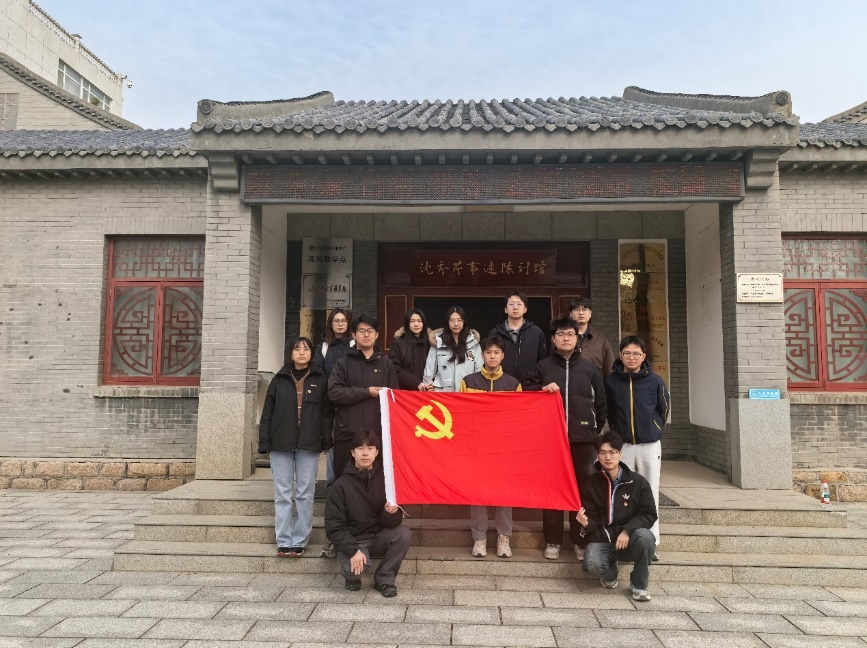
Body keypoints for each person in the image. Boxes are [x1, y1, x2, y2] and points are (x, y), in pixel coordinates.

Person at [524, 315, 606, 562]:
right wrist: (541, 390)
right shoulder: (542, 367)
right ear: (553, 339)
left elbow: (601, 406)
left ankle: (579, 540)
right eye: (561, 334)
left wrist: (591, 432)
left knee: (581, 491)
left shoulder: (590, 369)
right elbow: (525, 393)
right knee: (552, 490)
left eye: (570, 334)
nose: (566, 338)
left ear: (577, 338)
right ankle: (553, 540)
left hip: (583, 441)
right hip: (550, 440)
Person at [258, 337, 333, 557]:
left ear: (312, 353)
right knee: (282, 493)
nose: (301, 352)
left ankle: (299, 539)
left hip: (308, 444)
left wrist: (325, 440)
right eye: (297, 348)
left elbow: (326, 414)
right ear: (290, 353)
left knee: (305, 493)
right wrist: (265, 442)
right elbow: (267, 413)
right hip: (280, 443)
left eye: (306, 348)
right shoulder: (279, 379)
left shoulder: (320, 379)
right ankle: (283, 539)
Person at [324, 430, 411, 597]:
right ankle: (351, 575)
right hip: (354, 538)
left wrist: (390, 513)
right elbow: (334, 527)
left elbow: (393, 522)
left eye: (370, 448)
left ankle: (384, 579)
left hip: (378, 536)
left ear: (376, 452)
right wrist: (352, 550)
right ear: (352, 452)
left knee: (403, 534)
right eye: (360, 448)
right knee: (354, 572)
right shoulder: (340, 486)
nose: (365, 453)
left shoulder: (386, 480)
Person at [605, 335, 670, 552]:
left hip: (649, 446)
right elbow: (609, 410)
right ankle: (625, 539)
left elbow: (663, 409)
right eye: (627, 353)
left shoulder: (655, 381)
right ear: (620, 355)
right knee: (624, 492)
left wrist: (654, 428)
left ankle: (652, 542)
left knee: (650, 491)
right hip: (623, 446)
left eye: (636, 354)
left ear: (643, 356)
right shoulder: (611, 381)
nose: (631, 357)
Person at [459, 335, 522, 559]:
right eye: (488, 352)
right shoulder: (469, 382)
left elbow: (518, 419)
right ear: (482, 355)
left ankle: (504, 537)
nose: (492, 356)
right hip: (477, 447)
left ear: (503, 356)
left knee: (504, 493)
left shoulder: (513, 384)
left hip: (503, 449)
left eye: (496, 353)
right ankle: (479, 538)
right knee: (478, 493)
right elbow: (461, 415)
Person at [575, 432, 657, 602]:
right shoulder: (590, 483)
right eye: (603, 452)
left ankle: (639, 585)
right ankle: (611, 573)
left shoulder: (637, 482)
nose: (608, 457)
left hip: (630, 539)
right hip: (604, 539)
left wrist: (627, 531)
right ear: (597, 455)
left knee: (646, 537)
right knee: (591, 564)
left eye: (612, 452)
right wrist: (586, 523)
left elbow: (649, 514)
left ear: (620, 453)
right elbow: (592, 518)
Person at [327, 313, 398, 482]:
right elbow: (334, 392)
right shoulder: (343, 363)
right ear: (353, 335)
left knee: (377, 483)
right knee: (344, 482)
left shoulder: (386, 364)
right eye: (361, 331)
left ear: (377, 335)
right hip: (347, 434)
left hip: (377, 435)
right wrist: (367, 392)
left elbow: (394, 399)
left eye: (370, 331)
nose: (366, 335)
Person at [312, 307, 353, 559]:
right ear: (330, 324)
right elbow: (317, 374)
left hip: (352, 410)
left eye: (343, 320)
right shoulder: (323, 347)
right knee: (332, 471)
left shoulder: (354, 345)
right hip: (330, 411)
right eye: (336, 321)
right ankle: (334, 537)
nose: (339, 324)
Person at [488, 290, 547, 382]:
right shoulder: (495, 333)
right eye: (511, 304)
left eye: (519, 304)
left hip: (530, 384)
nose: (515, 307)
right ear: (505, 309)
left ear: (525, 309)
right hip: (502, 384)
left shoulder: (536, 332)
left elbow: (543, 361)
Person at [422, 306, 483, 392]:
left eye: (459, 320)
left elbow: (479, 370)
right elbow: (429, 369)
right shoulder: (438, 342)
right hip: (443, 394)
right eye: (452, 320)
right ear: (447, 322)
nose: (456, 324)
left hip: (466, 393)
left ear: (464, 321)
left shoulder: (473, 343)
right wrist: (427, 386)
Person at [568, 297, 615, 376]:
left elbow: (609, 368)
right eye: (577, 309)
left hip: (595, 382)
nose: (581, 313)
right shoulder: (563, 338)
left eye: (584, 309)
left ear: (590, 313)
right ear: (570, 314)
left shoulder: (600, 340)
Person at [388, 308, 431, 391]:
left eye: (419, 321)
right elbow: (394, 368)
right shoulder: (399, 344)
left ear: (423, 323)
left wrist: (433, 384)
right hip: (406, 392)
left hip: (428, 391)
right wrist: (416, 383)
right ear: (407, 323)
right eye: (412, 321)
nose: (416, 324)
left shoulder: (430, 344)